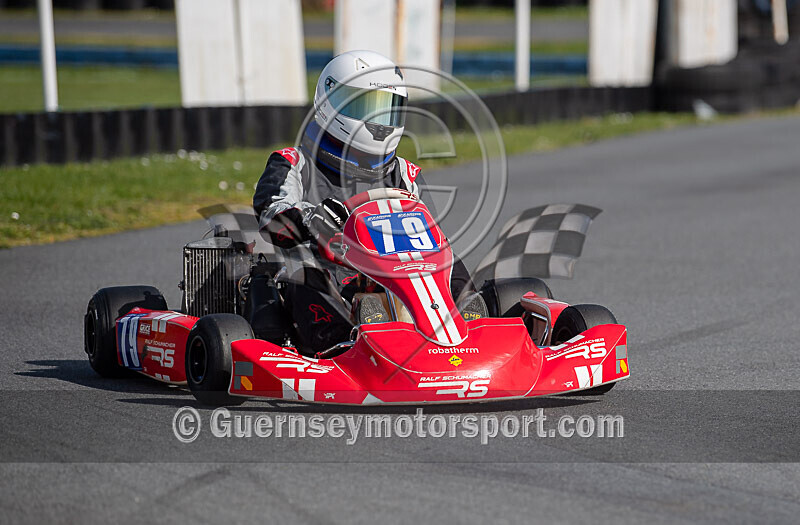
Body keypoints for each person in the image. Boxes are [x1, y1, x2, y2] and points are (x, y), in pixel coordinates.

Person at [253, 50, 481, 355]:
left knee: (445, 257)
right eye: (365, 107)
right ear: (329, 104)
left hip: (393, 274)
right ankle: (341, 342)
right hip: (327, 271)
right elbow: (271, 214)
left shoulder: (403, 173)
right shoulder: (295, 163)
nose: (379, 122)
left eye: (386, 110)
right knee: (305, 270)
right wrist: (310, 219)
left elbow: (428, 234)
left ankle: (473, 325)